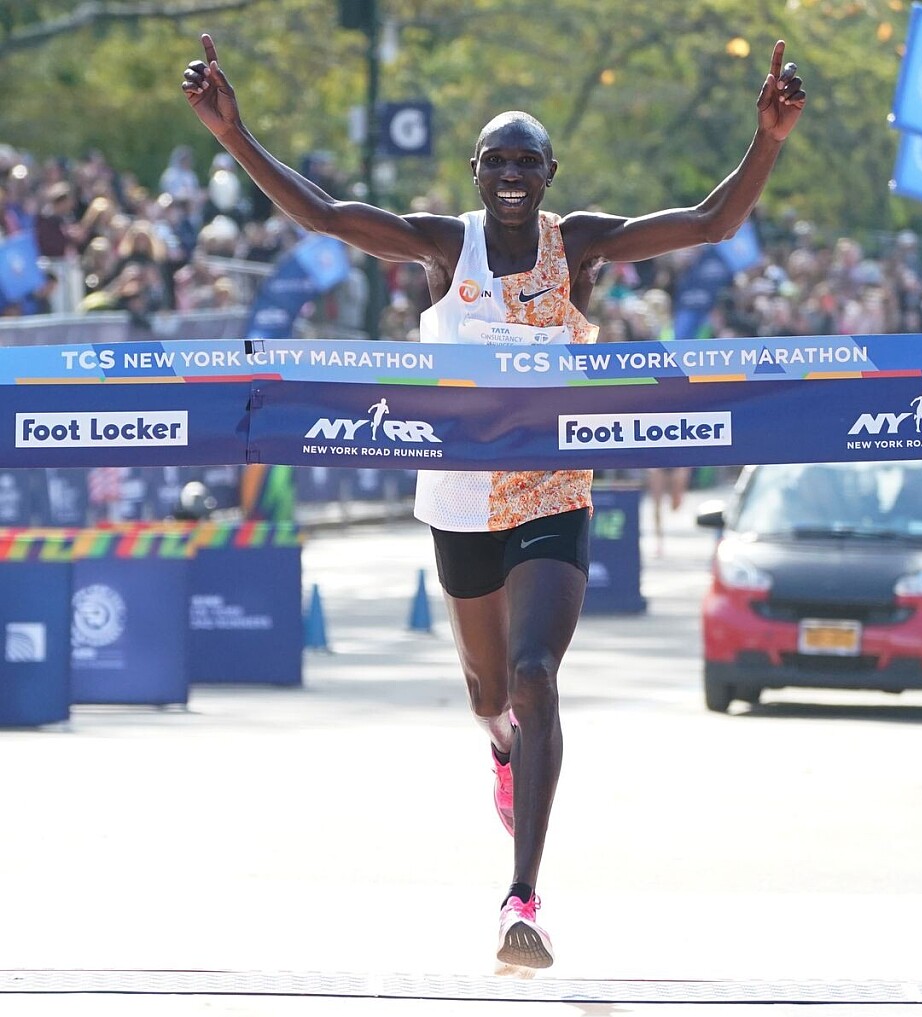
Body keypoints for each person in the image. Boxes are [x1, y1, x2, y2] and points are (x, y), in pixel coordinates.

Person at [182, 32, 806, 968]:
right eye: (497, 161)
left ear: (550, 173)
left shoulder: (578, 246)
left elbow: (712, 222)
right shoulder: (447, 247)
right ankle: (503, 748)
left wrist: (768, 139)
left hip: (553, 486)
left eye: (527, 161)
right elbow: (324, 215)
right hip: (461, 494)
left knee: (535, 673)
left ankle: (524, 898)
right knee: (489, 693)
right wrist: (232, 133)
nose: (512, 174)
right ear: (475, 174)